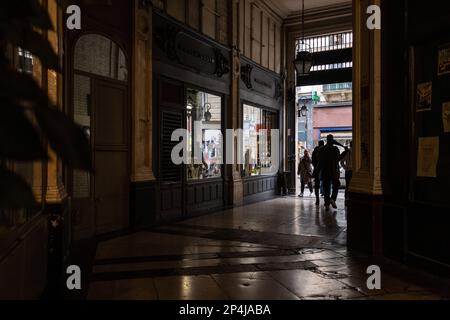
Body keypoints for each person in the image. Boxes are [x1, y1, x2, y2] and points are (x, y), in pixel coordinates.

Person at [316, 135, 349, 210]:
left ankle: (327, 203)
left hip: (324, 171)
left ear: (327, 140)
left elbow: (319, 160)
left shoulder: (322, 149)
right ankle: (333, 199)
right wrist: (345, 152)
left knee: (326, 188)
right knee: (336, 185)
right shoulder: (335, 149)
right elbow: (338, 158)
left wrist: (317, 171)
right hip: (334, 171)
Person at [312, 140, 325, 206]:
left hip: (317, 169)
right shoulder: (325, 149)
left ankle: (317, 199)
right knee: (325, 184)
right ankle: (326, 199)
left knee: (316, 185)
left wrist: (316, 166)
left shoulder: (315, 150)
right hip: (324, 170)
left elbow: (313, 160)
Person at [340, 141, 353, 205]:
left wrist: (345, 168)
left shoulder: (346, 152)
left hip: (348, 171)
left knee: (347, 186)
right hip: (354, 172)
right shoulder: (357, 152)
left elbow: (341, 162)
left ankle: (346, 199)